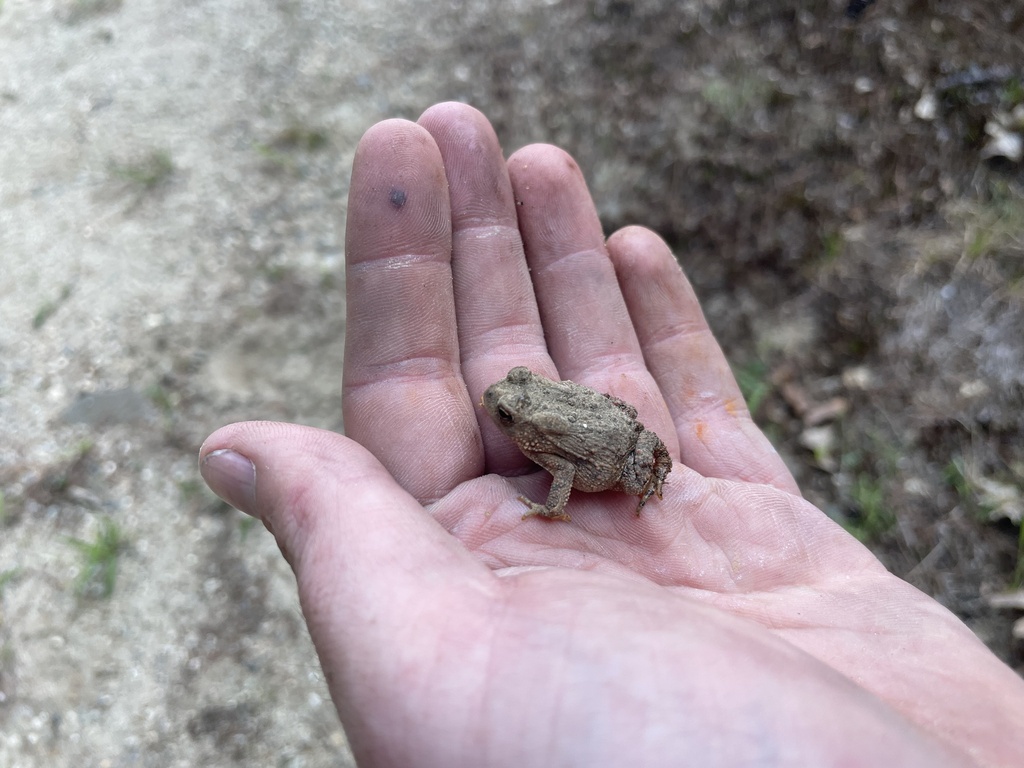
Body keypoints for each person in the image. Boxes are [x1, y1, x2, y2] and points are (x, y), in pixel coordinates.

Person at [199, 102, 1024, 767]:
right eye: (508, 406)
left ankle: (646, 480)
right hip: (598, 421)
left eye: (508, 413)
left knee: (638, 461)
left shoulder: (543, 447)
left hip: (610, 446)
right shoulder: (532, 420)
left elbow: (561, 478)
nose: (499, 407)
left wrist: (555, 507)